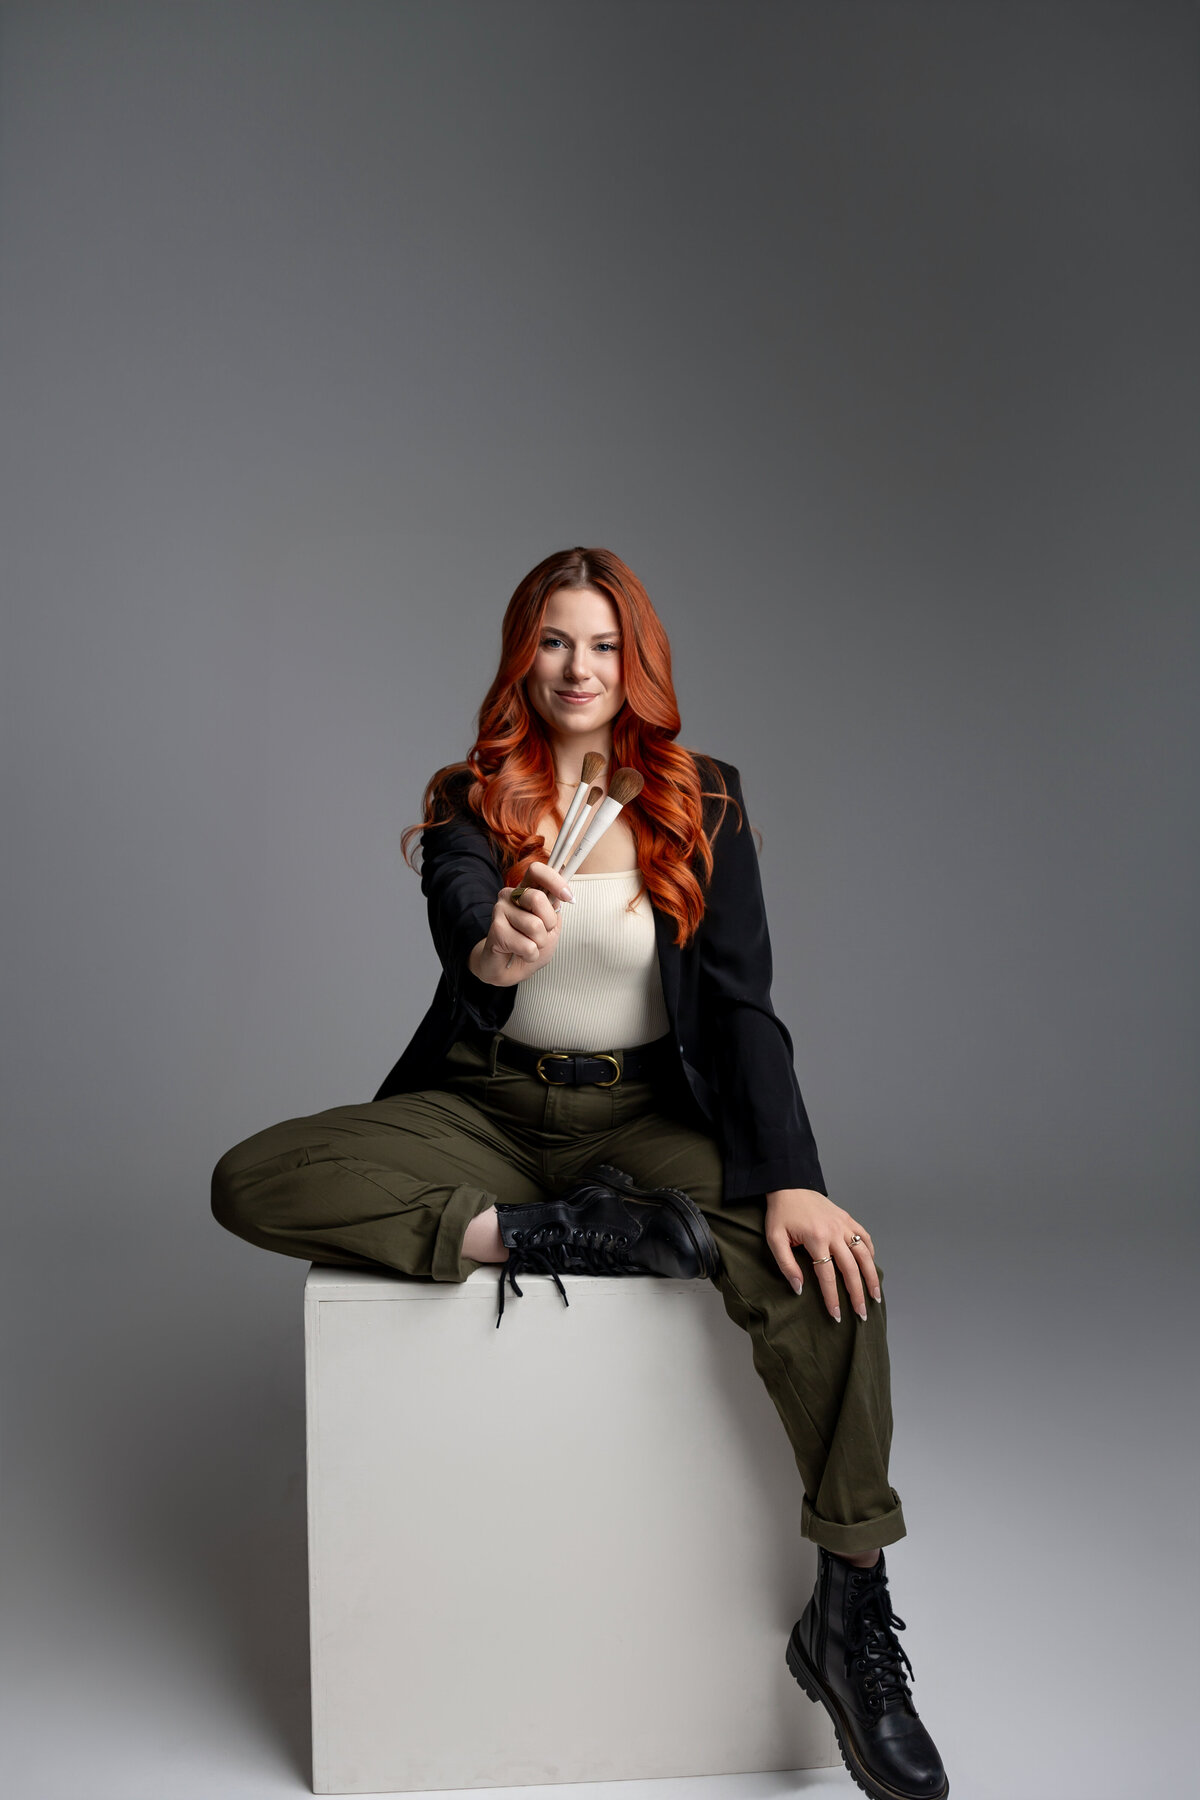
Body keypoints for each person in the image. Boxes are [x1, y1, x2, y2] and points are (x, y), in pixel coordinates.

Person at [211, 545, 949, 1800]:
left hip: (652, 1112)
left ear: (638, 662)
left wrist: (794, 1175)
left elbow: (742, 1008)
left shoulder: (702, 800)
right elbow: (465, 930)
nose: (579, 667)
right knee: (254, 1177)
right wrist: (499, 950)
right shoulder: (471, 801)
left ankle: (851, 1610)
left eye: (605, 644)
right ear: (521, 655)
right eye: (556, 641)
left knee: (832, 1275)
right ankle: (537, 1235)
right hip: (492, 1110)